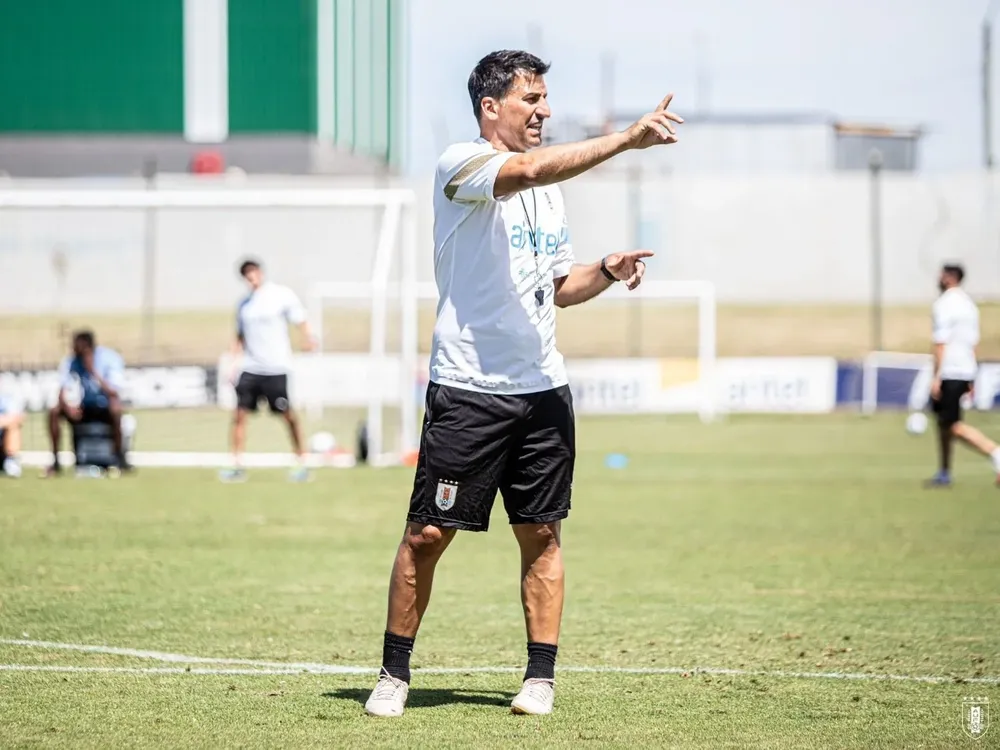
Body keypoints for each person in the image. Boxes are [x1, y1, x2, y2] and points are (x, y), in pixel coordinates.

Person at [363, 49, 682, 718]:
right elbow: (527, 168)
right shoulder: (462, 164)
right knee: (426, 535)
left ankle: (540, 679)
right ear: (491, 107)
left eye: (545, 99)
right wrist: (626, 138)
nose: (545, 110)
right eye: (531, 99)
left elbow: (560, 289)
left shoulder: (549, 194)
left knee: (542, 537)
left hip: (543, 393)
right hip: (468, 389)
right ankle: (394, 674)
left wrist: (608, 268)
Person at [220, 258, 316, 483]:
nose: (251, 277)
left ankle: (302, 460)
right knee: (239, 415)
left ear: (260, 273)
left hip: (276, 366)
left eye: (253, 272)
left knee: (287, 415)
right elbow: (239, 337)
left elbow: (300, 319)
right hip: (250, 367)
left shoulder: (280, 295)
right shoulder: (244, 305)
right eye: (246, 275)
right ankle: (236, 464)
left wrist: (309, 338)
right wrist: (232, 364)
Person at [924, 263, 1000, 487]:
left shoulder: (943, 305)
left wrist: (936, 376)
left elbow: (940, 343)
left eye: (941, 274)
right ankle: (944, 471)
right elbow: (972, 343)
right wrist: (973, 374)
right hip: (966, 369)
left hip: (950, 370)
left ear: (949, 278)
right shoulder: (969, 305)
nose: (938, 278)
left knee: (952, 424)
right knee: (943, 423)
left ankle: (996, 453)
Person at [45, 330, 129, 476]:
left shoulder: (109, 358)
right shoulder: (71, 361)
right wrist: (68, 407)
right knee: (54, 412)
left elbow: (114, 392)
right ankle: (55, 460)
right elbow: (63, 389)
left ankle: (118, 458)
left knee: (116, 409)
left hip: (103, 405)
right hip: (83, 407)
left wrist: (93, 371)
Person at [0, 393, 24, 478]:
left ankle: (11, 461)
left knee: (13, 426)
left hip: (2, 440)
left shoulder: (6, 397)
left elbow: (19, 417)